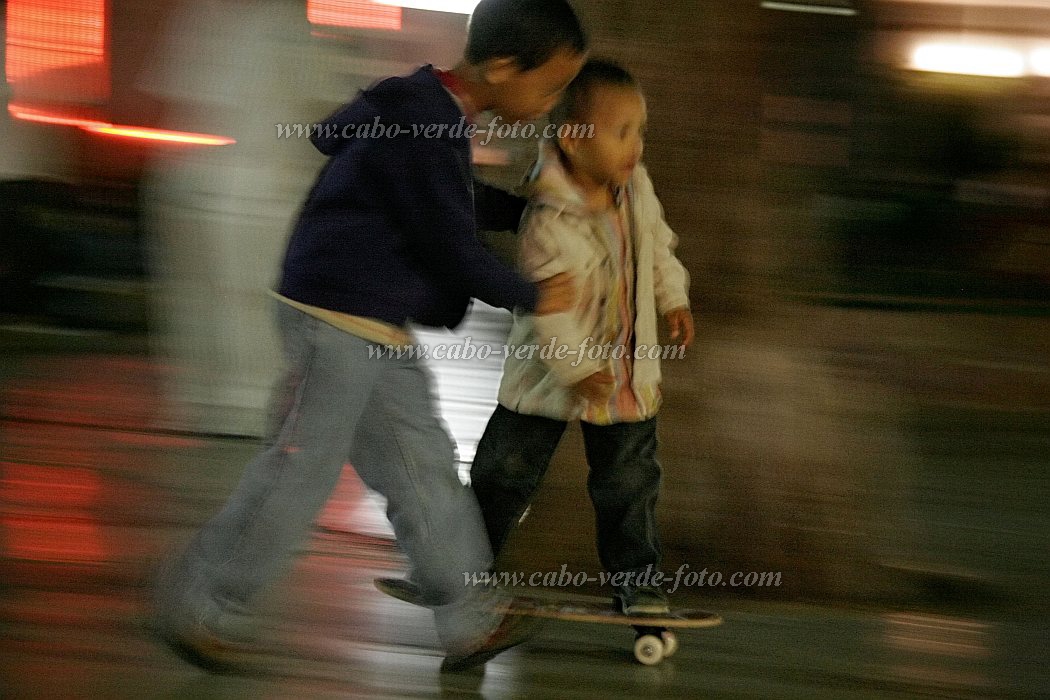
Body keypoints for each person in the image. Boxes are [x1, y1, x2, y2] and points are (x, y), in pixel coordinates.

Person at [151, 0, 588, 674]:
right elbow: (448, 244)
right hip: (334, 320)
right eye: (551, 86)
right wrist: (534, 295)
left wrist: (517, 210)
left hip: (374, 324)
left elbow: (436, 194)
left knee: (423, 471)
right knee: (301, 468)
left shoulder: (425, 109)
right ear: (502, 67)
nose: (553, 102)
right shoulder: (427, 120)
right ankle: (200, 601)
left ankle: (472, 619)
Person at [470, 58, 693, 616]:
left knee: (630, 487)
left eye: (640, 130)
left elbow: (658, 247)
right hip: (547, 377)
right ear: (572, 140)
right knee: (503, 475)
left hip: (624, 375)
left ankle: (638, 584)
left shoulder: (636, 189)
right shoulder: (547, 219)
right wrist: (575, 368)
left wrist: (674, 298)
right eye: (621, 132)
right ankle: (462, 567)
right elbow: (552, 311)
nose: (635, 145)